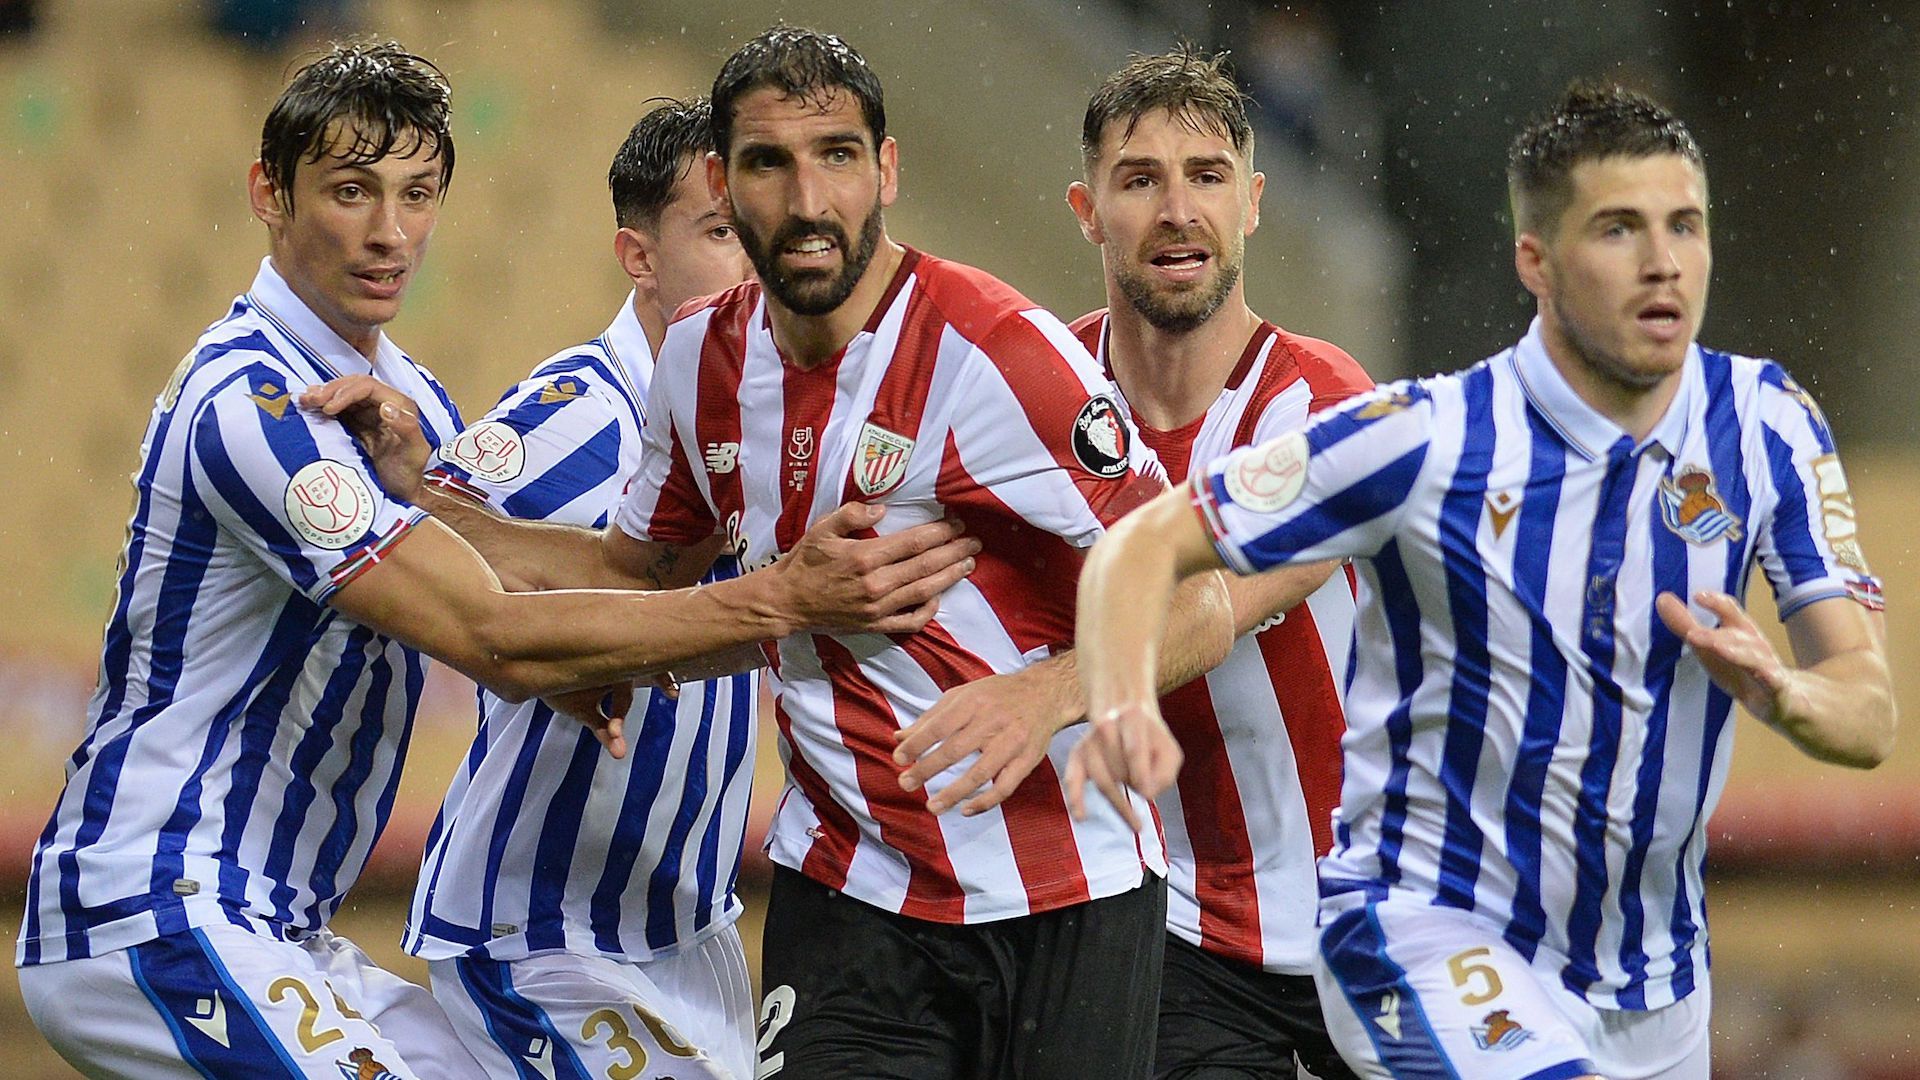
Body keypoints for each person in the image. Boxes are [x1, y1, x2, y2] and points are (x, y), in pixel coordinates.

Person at [16, 42, 974, 1079]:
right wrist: (783, 600)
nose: (390, 233)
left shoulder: (410, 407)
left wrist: (575, 661)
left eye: (417, 194)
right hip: (156, 905)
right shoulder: (249, 404)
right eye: (350, 192)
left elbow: (506, 591)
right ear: (269, 194)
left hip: (283, 923)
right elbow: (490, 633)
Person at [1066, 82, 1895, 1080]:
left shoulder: (1769, 424)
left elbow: (1868, 711)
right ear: (1535, 259)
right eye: (1619, 229)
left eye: (1685, 225)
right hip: (1422, 932)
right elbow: (1142, 545)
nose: (1663, 261)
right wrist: (1113, 702)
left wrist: (1787, 694)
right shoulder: (1425, 438)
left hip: (1658, 983)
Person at [618, 26, 1240, 1080]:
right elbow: (637, 583)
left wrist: (1045, 694)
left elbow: (1205, 599)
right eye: (771, 162)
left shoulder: (995, 349)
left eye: (839, 157)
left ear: (887, 170)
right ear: (725, 182)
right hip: (846, 894)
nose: (809, 200)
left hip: (1066, 897)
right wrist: (433, 511)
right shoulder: (697, 358)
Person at [400, 97, 764, 1080]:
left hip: (691, 930)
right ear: (639, 256)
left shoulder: (773, 418)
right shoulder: (578, 414)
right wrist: (533, 652)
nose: (757, 256)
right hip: (545, 933)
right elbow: (408, 532)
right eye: (723, 231)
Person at [1064, 47, 1368, 1080]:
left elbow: (1209, 613)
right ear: (1087, 209)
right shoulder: (1035, 397)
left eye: (1206, 176)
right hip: (1178, 934)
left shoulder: (1320, 402)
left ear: (1253, 203)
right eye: (1140, 179)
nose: (1176, 210)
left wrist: (1038, 696)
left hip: (1377, 911)